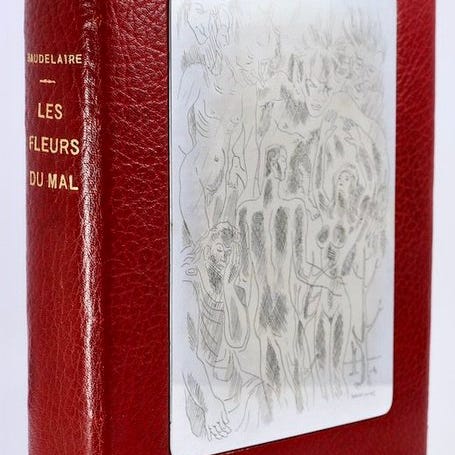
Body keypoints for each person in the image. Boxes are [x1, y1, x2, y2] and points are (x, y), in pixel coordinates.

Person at [237, 145, 313, 413]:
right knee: (272, 373)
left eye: (284, 160)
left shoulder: (293, 209)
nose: (283, 166)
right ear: (271, 164)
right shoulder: (248, 212)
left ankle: (299, 417)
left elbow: (301, 268)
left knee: (291, 370)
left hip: (281, 302)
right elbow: (244, 272)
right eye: (280, 160)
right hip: (264, 306)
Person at [181, 223, 268, 441]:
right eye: (219, 250)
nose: (223, 258)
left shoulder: (234, 288)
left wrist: (229, 287)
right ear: (208, 248)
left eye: (228, 253)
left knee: (259, 392)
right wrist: (209, 400)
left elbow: (237, 340)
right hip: (205, 383)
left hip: (231, 379)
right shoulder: (191, 283)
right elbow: (185, 357)